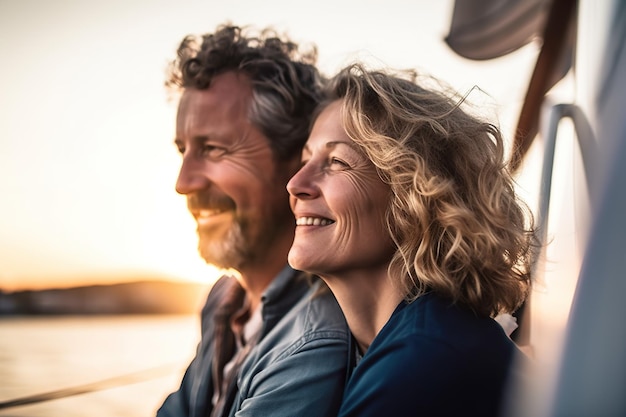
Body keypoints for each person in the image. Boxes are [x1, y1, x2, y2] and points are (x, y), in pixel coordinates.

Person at [287, 63, 536, 417]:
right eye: (306, 159)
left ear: (415, 194)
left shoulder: (421, 363)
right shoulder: (424, 335)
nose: (295, 183)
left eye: (337, 162)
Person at [157, 24, 350, 417]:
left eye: (213, 149)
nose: (183, 183)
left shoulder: (317, 337)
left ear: (297, 161)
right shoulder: (223, 301)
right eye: (183, 150)